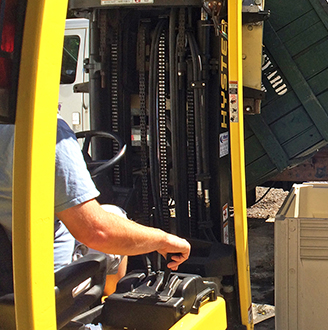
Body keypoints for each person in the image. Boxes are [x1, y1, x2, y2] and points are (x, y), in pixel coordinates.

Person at [0, 116, 190, 290]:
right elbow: (98, 232)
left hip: (10, 266)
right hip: (45, 284)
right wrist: (162, 240)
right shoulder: (46, 129)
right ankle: (106, 309)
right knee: (115, 215)